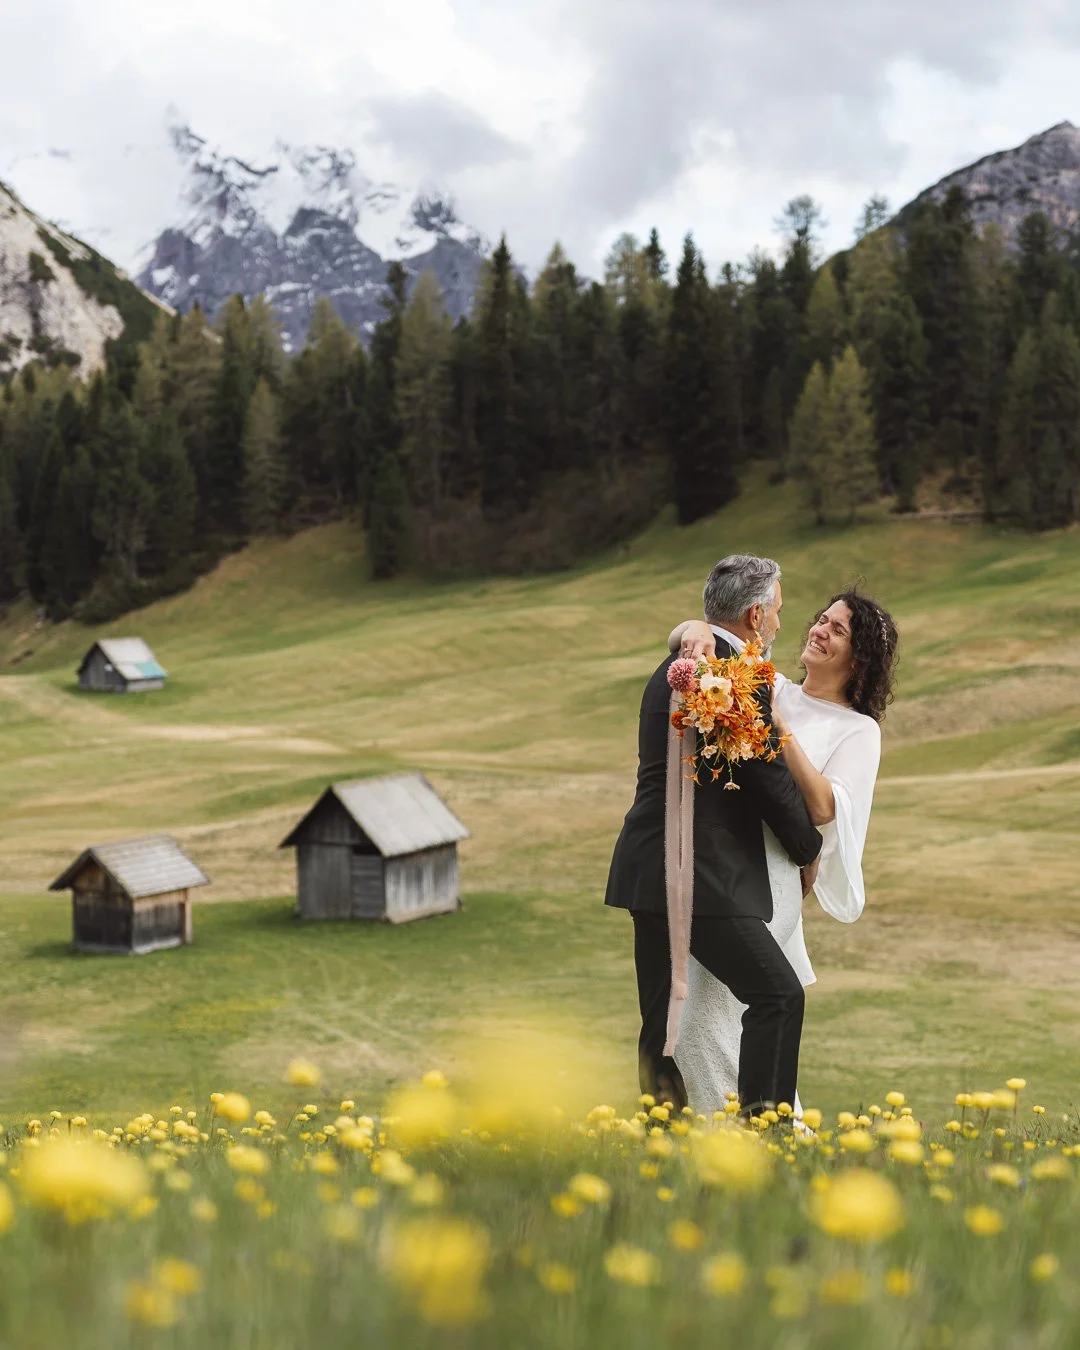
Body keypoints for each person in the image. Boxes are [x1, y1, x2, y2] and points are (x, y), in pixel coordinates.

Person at [604, 555, 822, 1115]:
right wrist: (809, 847)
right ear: (754, 615)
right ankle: (766, 1133)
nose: (778, 622)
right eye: (776, 611)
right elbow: (765, 776)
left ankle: (660, 1144)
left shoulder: (675, 665)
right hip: (699, 872)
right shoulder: (729, 675)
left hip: (644, 867)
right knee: (778, 994)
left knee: (663, 1021)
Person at [667, 586, 898, 1114]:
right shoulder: (767, 679)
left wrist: (781, 725)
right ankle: (739, 1132)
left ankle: (756, 1137)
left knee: (732, 1013)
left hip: (772, 881)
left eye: (838, 630)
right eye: (822, 620)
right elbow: (704, 642)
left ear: (859, 659)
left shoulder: (858, 731)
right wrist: (695, 629)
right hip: (724, 869)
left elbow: (822, 806)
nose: (819, 630)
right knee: (701, 1014)